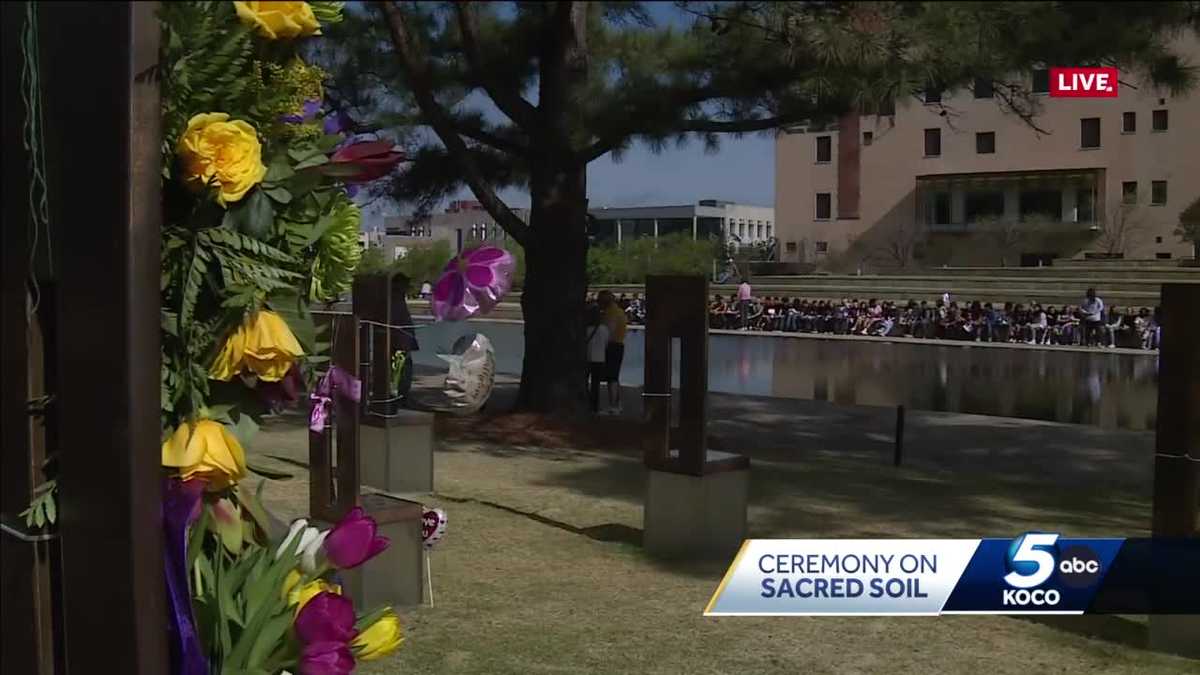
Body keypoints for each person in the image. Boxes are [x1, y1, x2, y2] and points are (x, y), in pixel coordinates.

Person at [598, 290, 627, 415]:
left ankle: (613, 406)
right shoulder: (619, 311)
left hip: (613, 346)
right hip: (618, 345)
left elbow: (608, 332)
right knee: (614, 376)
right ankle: (617, 404)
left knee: (612, 377)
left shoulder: (612, 313)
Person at [584, 305, 610, 413]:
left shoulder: (585, 329)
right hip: (599, 359)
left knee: (584, 382)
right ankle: (594, 406)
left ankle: (584, 403)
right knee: (596, 384)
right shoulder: (604, 329)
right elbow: (606, 343)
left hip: (587, 358)